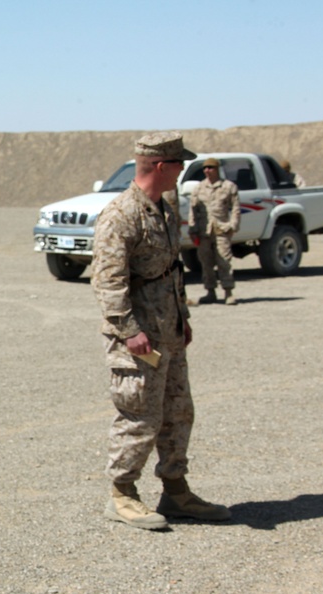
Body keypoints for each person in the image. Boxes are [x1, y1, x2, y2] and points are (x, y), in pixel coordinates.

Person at [91, 131, 231, 531]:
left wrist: (182, 318)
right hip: (137, 338)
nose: (182, 172)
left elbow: (172, 270)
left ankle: (176, 490)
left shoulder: (165, 207)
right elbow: (108, 282)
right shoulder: (121, 215)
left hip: (167, 331)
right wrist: (128, 330)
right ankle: (122, 495)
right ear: (158, 166)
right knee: (138, 415)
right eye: (178, 165)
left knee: (177, 412)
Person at [190, 157, 241, 306]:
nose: (207, 171)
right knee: (206, 263)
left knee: (224, 261)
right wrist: (193, 229)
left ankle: (228, 291)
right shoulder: (199, 188)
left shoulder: (228, 187)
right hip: (203, 231)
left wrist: (233, 225)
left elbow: (236, 208)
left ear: (217, 169)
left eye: (211, 168)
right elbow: (193, 211)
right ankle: (210, 291)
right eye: (205, 168)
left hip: (221, 229)